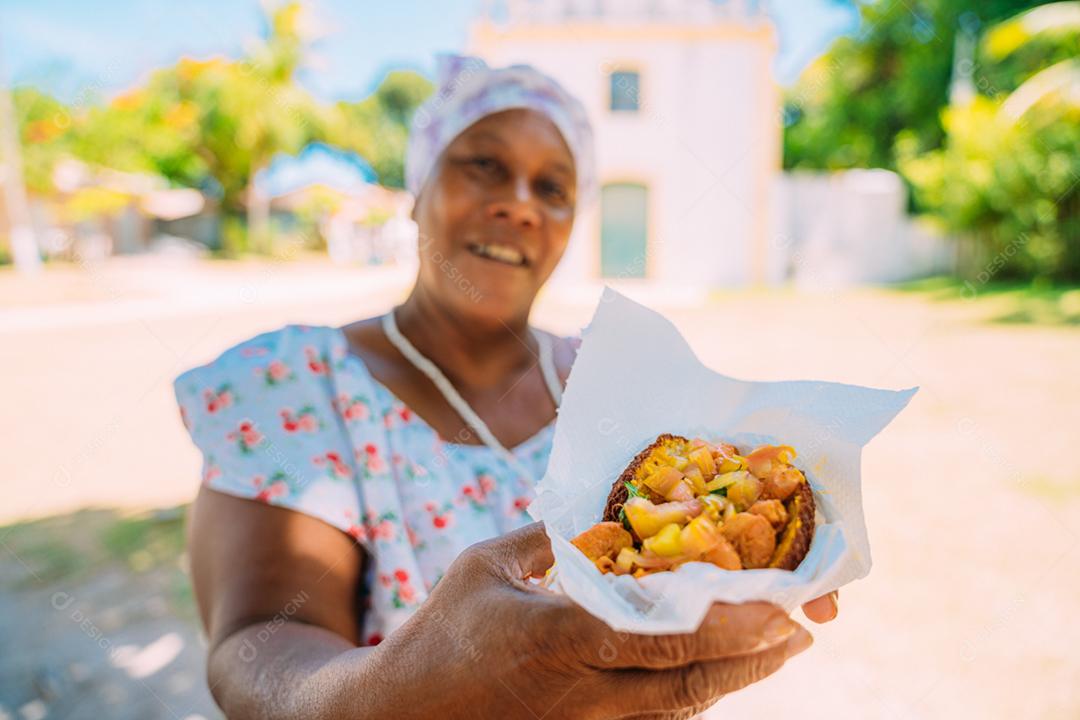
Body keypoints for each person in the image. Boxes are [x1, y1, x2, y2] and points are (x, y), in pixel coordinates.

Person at [174, 54, 839, 720]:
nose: (519, 204)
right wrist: (403, 691)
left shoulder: (615, 383)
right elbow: (257, 646)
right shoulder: (295, 385)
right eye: (484, 166)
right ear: (417, 188)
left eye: (553, 188)